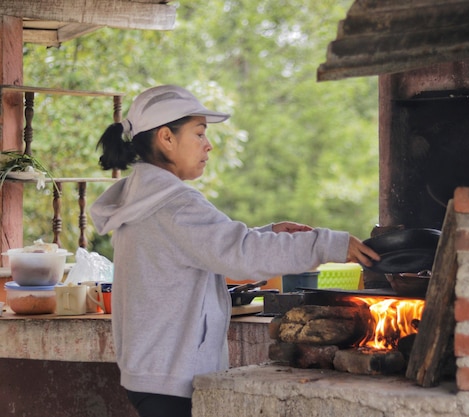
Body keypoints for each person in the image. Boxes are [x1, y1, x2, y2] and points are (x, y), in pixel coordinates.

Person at [89, 84, 380, 417]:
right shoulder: (176, 205)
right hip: (171, 380)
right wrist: (329, 244)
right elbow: (242, 256)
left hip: (153, 375)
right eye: (199, 134)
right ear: (166, 138)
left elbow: (203, 249)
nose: (208, 145)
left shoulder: (146, 199)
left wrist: (266, 233)